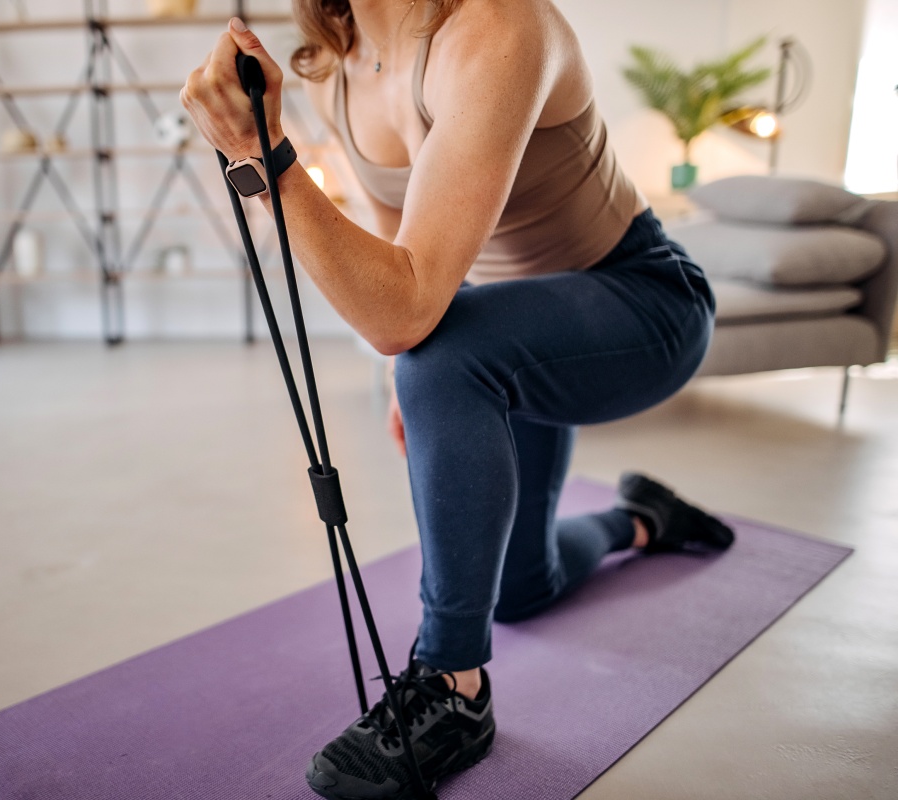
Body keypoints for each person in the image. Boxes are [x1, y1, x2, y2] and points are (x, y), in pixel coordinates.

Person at [182, 1, 735, 797]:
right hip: (508, 332)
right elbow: (393, 254)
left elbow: (404, 309)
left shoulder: (499, 25)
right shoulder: (337, 61)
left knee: (445, 357)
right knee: (519, 590)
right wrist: (417, 369)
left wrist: (261, 155)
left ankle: (453, 684)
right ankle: (647, 519)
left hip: (640, 304)